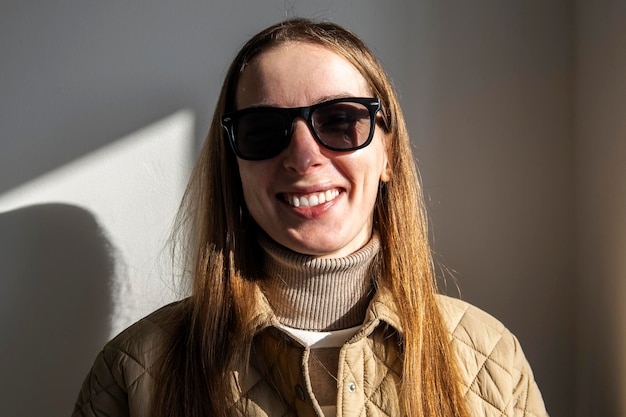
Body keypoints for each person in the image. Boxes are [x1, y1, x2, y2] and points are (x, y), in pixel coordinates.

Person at [72, 18, 548, 417]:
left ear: (389, 154)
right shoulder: (131, 371)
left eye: (341, 121)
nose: (303, 157)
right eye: (262, 130)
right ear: (233, 166)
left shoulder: (491, 356)